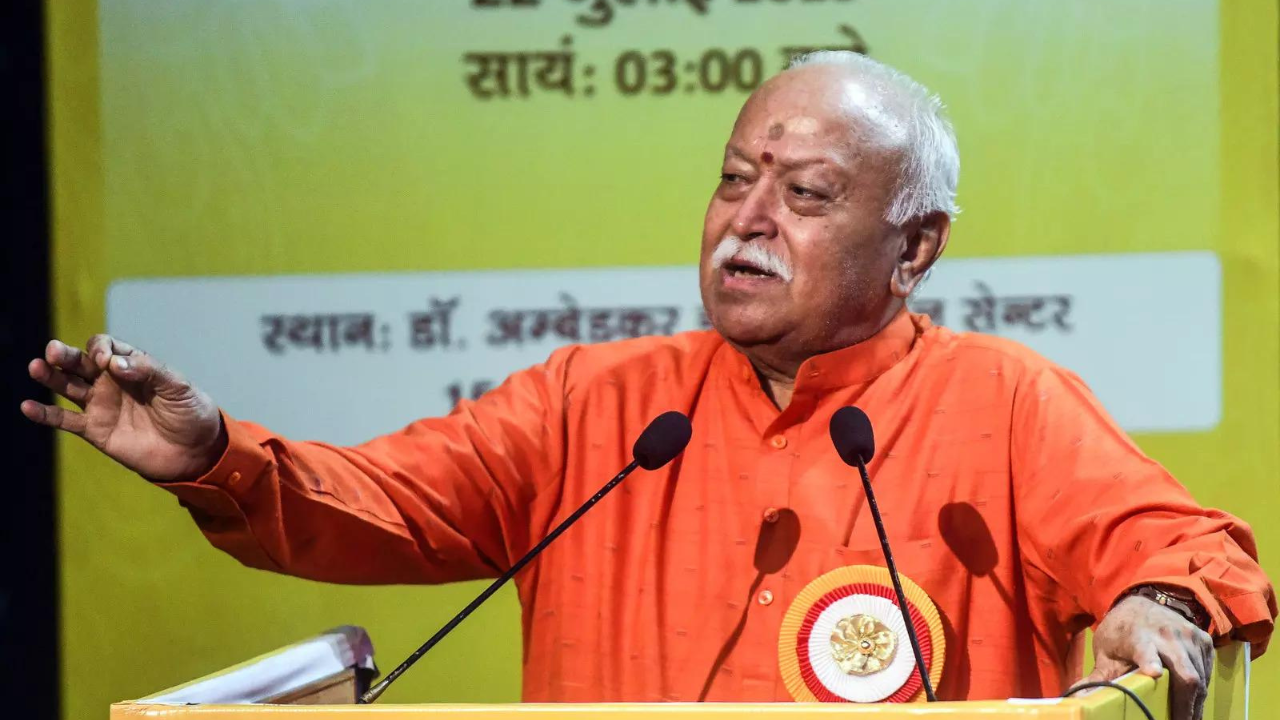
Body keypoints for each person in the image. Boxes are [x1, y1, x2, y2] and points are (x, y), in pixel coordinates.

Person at [22, 52, 1273, 719]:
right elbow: (383, 503)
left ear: (914, 247)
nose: (745, 220)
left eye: (804, 194)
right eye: (733, 179)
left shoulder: (1001, 403)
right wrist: (215, 457)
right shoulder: (598, 404)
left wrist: (1153, 603)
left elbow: (1182, 548)